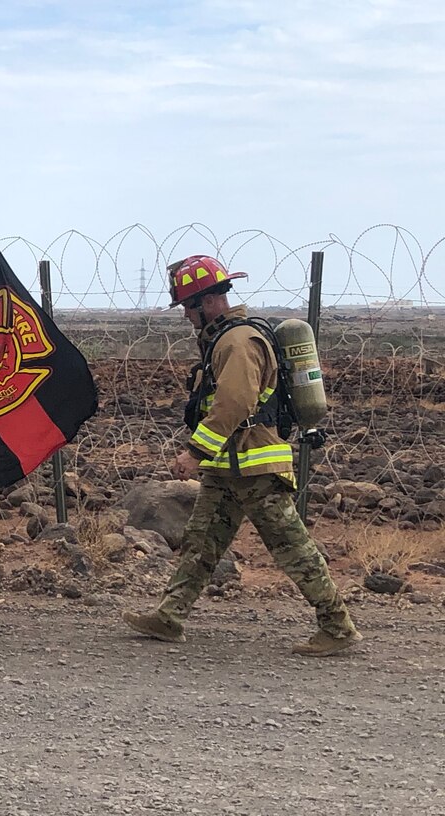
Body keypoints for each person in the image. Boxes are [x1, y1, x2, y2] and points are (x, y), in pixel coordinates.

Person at [123, 255, 361, 657]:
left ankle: (337, 626)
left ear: (209, 301)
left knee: (291, 546)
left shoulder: (237, 342)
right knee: (201, 543)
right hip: (229, 466)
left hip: (254, 466)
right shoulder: (225, 338)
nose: (185, 315)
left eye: (187, 306)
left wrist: (195, 452)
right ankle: (169, 617)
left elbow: (234, 402)